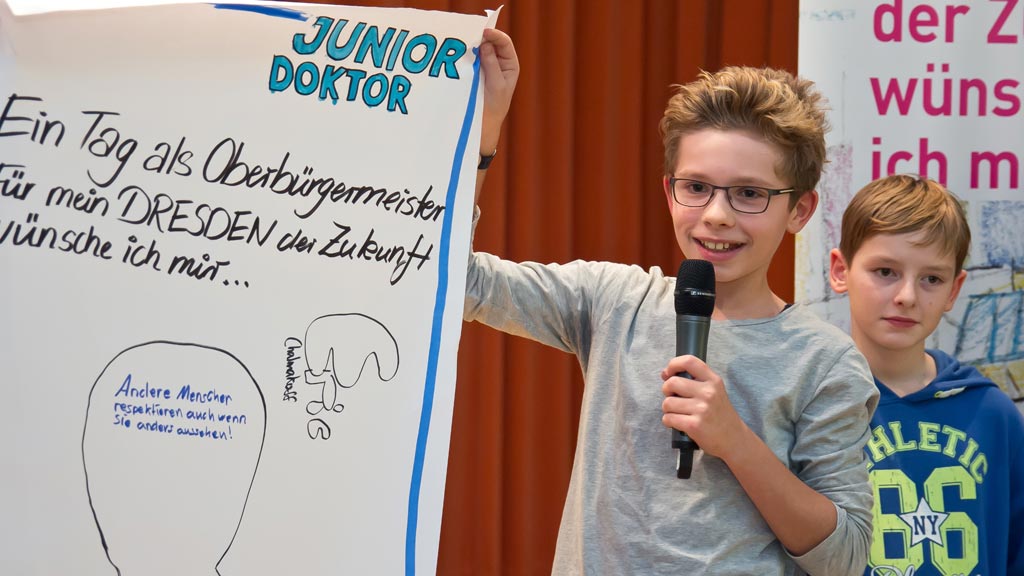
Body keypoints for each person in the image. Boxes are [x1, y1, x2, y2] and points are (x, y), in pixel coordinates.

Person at [470, 28, 878, 575]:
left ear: (799, 211)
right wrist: (481, 136)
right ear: (669, 192)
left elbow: (845, 556)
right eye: (697, 187)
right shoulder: (616, 301)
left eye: (750, 193)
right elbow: (459, 282)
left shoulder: (824, 361)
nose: (717, 215)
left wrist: (736, 442)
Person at [828, 174, 1024, 576]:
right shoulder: (813, 402)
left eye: (932, 279)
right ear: (840, 270)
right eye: (885, 271)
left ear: (954, 290)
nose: (907, 296)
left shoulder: (993, 414)